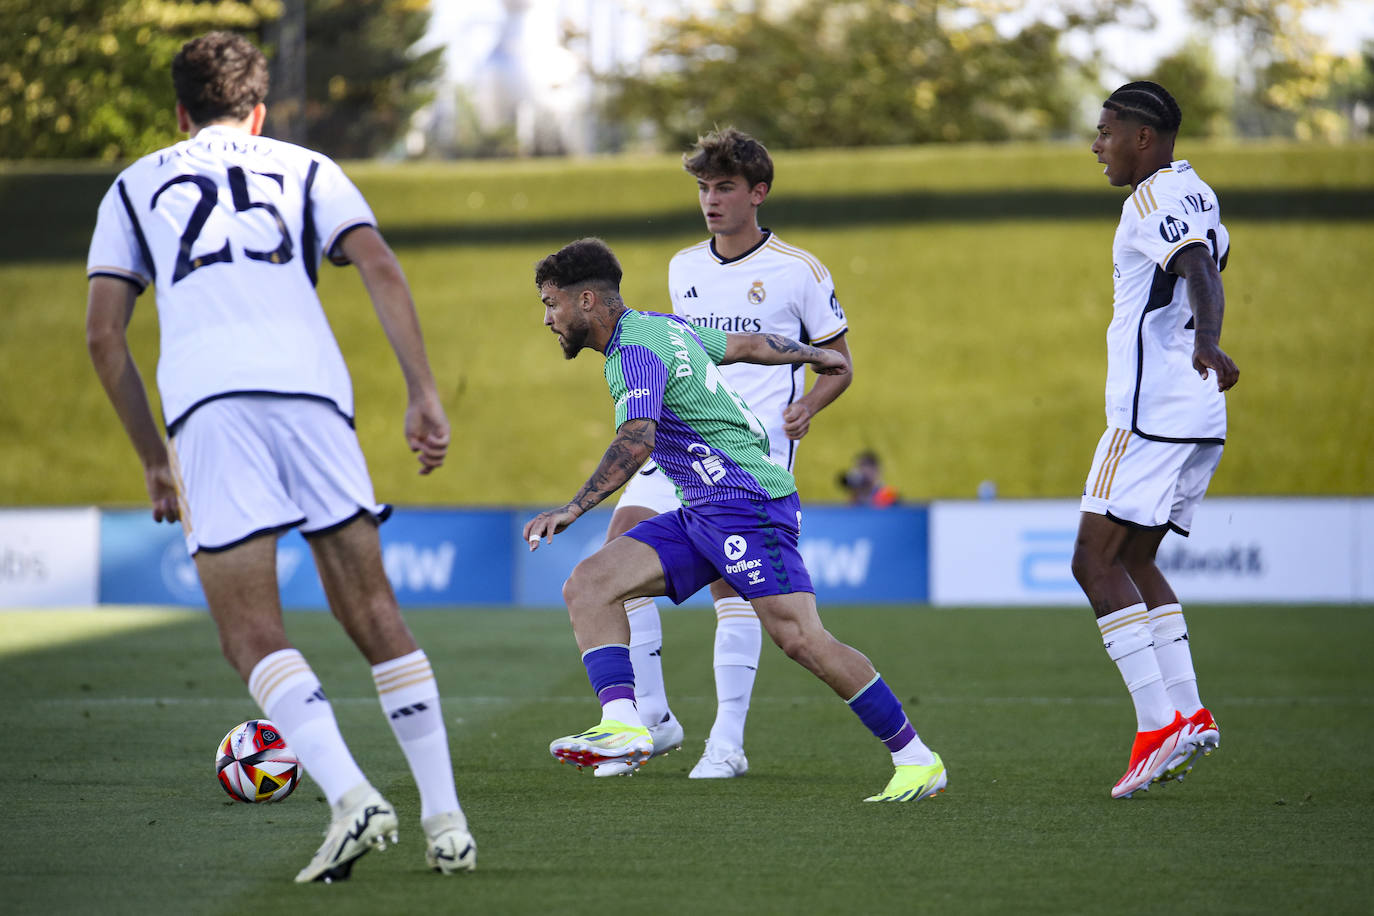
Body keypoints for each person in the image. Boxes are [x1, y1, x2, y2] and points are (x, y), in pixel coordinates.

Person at [84, 32, 475, 881]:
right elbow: (379, 265)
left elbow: (103, 335)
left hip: (210, 406)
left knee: (250, 631)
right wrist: (423, 394)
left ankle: (351, 798)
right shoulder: (308, 168)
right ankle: (446, 821)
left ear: (180, 112)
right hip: (315, 396)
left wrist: (154, 458)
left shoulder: (133, 183)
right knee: (375, 612)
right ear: (259, 110)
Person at [523, 238, 946, 802]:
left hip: (748, 503)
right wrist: (809, 354)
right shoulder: (661, 327)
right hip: (703, 507)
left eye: (551, 304)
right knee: (590, 584)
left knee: (800, 639)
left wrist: (573, 508)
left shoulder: (634, 352)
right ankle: (624, 725)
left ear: (587, 302)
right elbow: (747, 345)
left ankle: (916, 758)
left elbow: (637, 439)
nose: (547, 319)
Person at [600, 127, 854, 779]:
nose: (711, 201)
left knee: (731, 589)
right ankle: (653, 719)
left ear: (758, 193)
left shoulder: (800, 271)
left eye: (725, 188)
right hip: (680, 440)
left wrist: (808, 407)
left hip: (749, 454)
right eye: (704, 189)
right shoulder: (684, 267)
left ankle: (728, 743)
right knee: (616, 557)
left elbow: (840, 364)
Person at [1073, 81, 1239, 799]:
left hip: (1151, 413)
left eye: (1106, 130)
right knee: (1136, 557)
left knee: (1092, 561)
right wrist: (1207, 347)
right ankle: (1189, 709)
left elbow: (1196, 267)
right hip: (1197, 413)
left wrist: (1208, 340)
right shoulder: (1199, 192)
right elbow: (1207, 257)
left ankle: (1157, 724)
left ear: (1144, 138)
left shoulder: (1149, 201)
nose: (1097, 144)